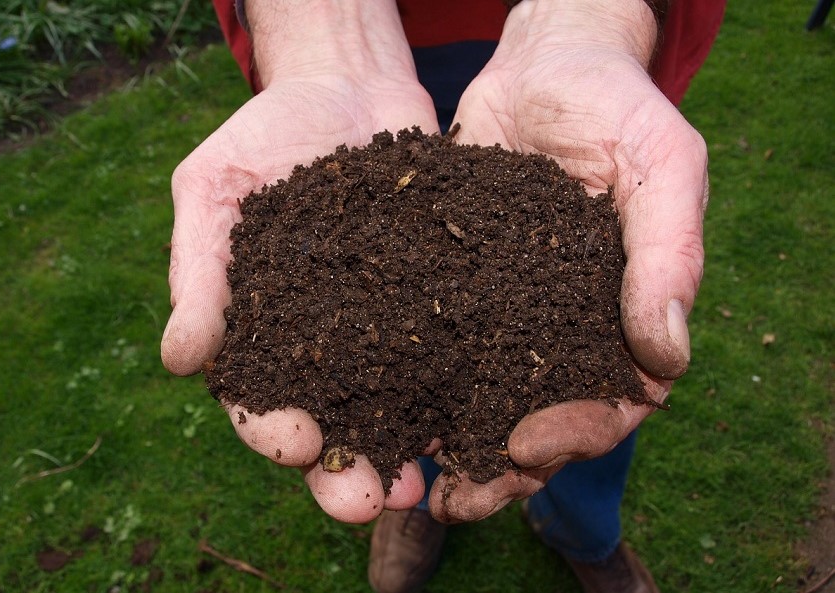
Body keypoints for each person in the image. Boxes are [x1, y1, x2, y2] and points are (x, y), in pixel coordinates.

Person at [161, 1, 726, 592]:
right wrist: (325, 34)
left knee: (595, 376)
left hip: (589, 34)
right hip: (395, 33)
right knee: (422, 398)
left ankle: (584, 532)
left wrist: (588, 22)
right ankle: (417, 500)